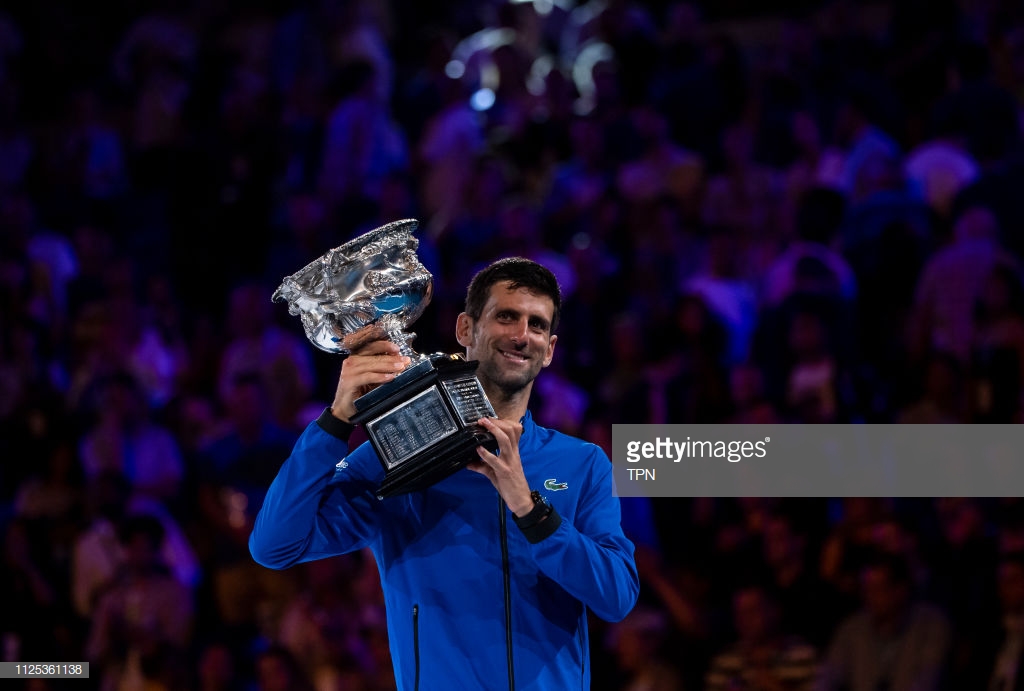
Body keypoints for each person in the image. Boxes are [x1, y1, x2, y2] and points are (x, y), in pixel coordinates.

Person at [250, 257, 639, 689]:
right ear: (465, 330)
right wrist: (336, 422)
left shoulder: (582, 463)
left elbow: (616, 597)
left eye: (536, 324)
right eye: (506, 316)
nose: (520, 335)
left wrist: (530, 509)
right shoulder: (393, 459)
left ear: (549, 350)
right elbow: (274, 547)